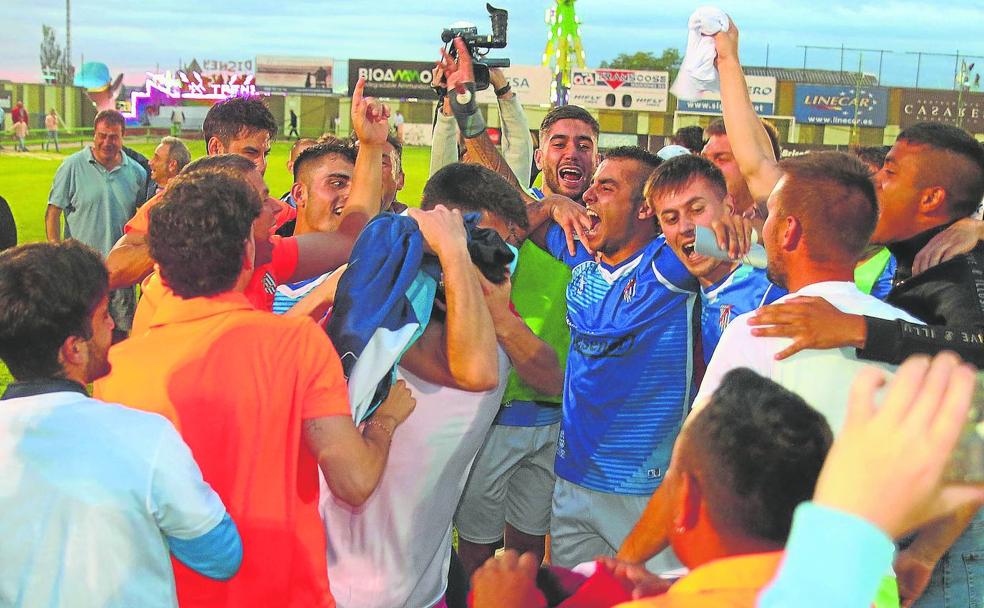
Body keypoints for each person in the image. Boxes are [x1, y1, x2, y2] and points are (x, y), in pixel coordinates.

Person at [714, 19, 984, 606]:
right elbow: (765, 172)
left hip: (956, 543)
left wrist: (858, 329)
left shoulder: (961, 272)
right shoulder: (919, 253)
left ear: (932, 199)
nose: (874, 181)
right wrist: (727, 61)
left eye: (889, 172)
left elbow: (979, 390)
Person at [93, 170, 416, 608]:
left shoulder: (116, 369)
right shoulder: (296, 344)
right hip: (284, 594)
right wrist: (385, 421)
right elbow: (355, 480)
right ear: (248, 252)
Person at [324, 163, 559, 608]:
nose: (494, 256)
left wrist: (501, 314)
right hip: (357, 587)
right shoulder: (397, 307)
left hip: (422, 578)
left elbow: (552, 378)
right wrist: (454, 256)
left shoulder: (486, 313)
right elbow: (476, 373)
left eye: (507, 245)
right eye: (480, 237)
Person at [0, 240, 242, 606]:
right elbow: (220, 555)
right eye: (103, 316)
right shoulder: (145, 437)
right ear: (73, 349)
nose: (113, 324)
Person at [454, 104, 602, 576]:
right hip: (497, 412)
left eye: (584, 144)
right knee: (475, 548)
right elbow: (500, 190)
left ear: (597, 159)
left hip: (560, 416)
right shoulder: (517, 214)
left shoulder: (604, 223)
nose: (572, 152)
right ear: (539, 155)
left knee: (529, 548)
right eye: (559, 142)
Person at [106, 95, 279, 290]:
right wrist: (190, 236)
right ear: (216, 148)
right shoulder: (175, 202)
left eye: (266, 154)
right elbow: (114, 270)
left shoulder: (274, 211)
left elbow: (306, 252)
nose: (261, 165)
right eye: (251, 153)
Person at [647, 153, 781, 364]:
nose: (685, 227)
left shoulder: (770, 289)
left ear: (728, 207)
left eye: (697, 209)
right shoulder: (669, 281)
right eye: (671, 218)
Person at [46, 109, 148, 339]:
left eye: (113, 136)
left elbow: (142, 220)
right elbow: (53, 213)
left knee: (119, 337)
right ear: (94, 135)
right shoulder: (72, 166)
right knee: (81, 337)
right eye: (102, 135)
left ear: (123, 136)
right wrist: (57, 253)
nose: (106, 142)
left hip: (121, 274)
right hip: (81, 272)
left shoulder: (137, 173)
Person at [272, 140, 358, 316]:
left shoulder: (355, 278)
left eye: (356, 187)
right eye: (337, 183)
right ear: (299, 194)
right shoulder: (257, 265)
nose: (351, 195)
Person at [701, 117, 780, 219]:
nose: (707, 167)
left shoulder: (780, 221)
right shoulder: (691, 225)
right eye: (704, 159)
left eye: (721, 159)